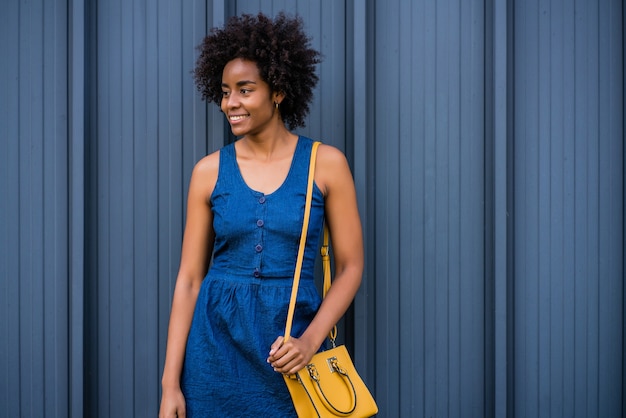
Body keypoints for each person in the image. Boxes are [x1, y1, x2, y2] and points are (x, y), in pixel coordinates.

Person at [159, 12, 363, 417]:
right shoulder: (208, 172)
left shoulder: (326, 165)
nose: (230, 103)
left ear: (279, 91)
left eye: (245, 90)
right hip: (213, 356)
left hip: (291, 356)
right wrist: (169, 385)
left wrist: (310, 341)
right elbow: (189, 280)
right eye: (224, 91)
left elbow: (351, 267)